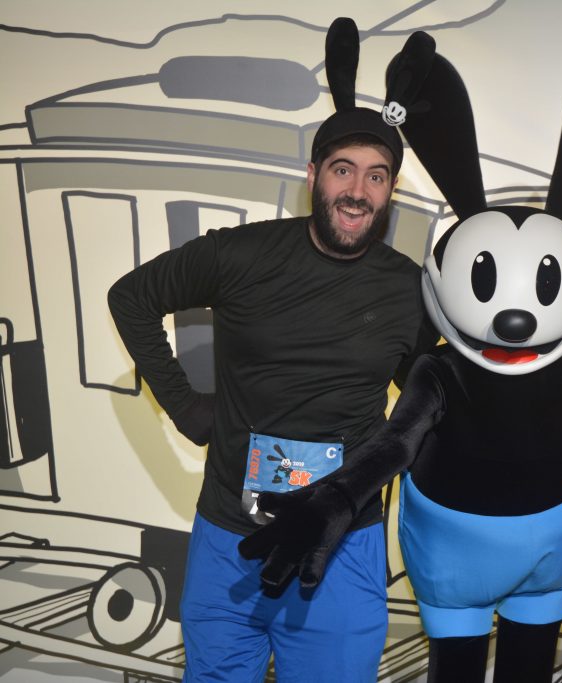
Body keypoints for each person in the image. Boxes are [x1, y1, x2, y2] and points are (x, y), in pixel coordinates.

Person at [107, 18, 438, 682]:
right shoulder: (240, 255)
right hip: (229, 540)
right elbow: (130, 297)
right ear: (314, 172)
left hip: (341, 548)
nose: (357, 190)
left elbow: (436, 396)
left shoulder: (411, 289)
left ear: (392, 189)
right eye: (343, 169)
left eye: (377, 176)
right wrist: (185, 406)